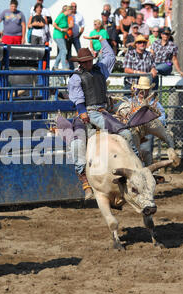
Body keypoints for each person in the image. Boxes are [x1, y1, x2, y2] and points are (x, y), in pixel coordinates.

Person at [67, 36, 136, 200]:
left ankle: (137, 164)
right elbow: (77, 98)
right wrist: (82, 110)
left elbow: (110, 56)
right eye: (86, 62)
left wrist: (102, 39)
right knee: (77, 144)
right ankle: (84, 178)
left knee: (125, 133)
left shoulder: (100, 70)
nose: (89, 63)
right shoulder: (76, 77)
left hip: (102, 111)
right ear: (80, 63)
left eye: (90, 60)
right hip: (87, 112)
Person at [52, 5, 73, 70]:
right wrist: (61, 29)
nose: (71, 13)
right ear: (68, 10)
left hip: (62, 36)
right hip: (57, 35)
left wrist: (67, 33)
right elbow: (54, 24)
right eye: (71, 11)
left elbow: (65, 27)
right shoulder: (61, 16)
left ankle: (55, 66)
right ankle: (64, 67)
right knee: (64, 50)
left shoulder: (66, 17)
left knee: (62, 51)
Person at [67, 2, 85, 70]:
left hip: (75, 37)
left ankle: (82, 66)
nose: (74, 8)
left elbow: (83, 26)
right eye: (72, 6)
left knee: (79, 52)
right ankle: (71, 67)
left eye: (75, 6)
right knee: (68, 53)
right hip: (68, 37)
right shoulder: (67, 15)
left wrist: (79, 35)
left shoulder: (79, 15)